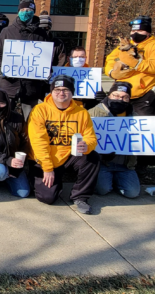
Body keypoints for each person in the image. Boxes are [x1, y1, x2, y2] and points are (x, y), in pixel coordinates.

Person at [28, 75, 99, 214]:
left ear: (72, 92)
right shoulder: (39, 110)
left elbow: (91, 137)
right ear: (51, 92)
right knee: (47, 198)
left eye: (65, 89)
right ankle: (46, 181)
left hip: (68, 156)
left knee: (92, 157)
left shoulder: (82, 113)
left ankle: (80, 197)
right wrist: (48, 168)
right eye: (57, 89)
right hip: (45, 160)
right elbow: (38, 141)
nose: (61, 93)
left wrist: (87, 145)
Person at [0, 0, 67, 120]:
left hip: (32, 86)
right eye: (23, 9)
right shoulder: (7, 31)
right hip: (9, 84)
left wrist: (47, 72)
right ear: (18, 11)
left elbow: (48, 58)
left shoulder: (42, 34)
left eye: (29, 9)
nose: (25, 12)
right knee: (5, 118)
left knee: (32, 120)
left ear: (33, 12)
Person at [104, 16, 155, 116]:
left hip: (145, 93)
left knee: (143, 127)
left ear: (148, 32)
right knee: (117, 124)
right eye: (133, 30)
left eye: (140, 30)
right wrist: (112, 72)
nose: (135, 33)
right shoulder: (125, 45)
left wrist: (135, 62)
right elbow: (110, 59)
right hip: (121, 92)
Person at [89, 82, 140, 199]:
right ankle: (108, 181)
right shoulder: (93, 113)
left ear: (129, 99)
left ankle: (117, 181)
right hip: (102, 164)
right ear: (109, 95)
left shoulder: (136, 117)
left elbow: (142, 140)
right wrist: (100, 154)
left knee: (132, 193)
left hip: (125, 165)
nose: (120, 99)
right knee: (102, 190)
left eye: (124, 97)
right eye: (116, 95)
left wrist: (154, 138)